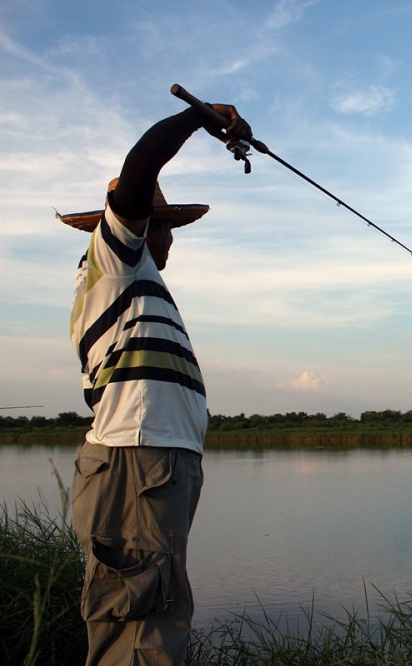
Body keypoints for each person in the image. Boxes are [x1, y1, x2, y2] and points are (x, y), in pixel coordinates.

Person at [58, 102, 251, 665]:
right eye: (158, 224)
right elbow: (140, 166)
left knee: (154, 615)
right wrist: (201, 116)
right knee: (141, 633)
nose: (166, 238)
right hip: (135, 464)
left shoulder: (137, 283)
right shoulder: (116, 260)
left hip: (156, 468)